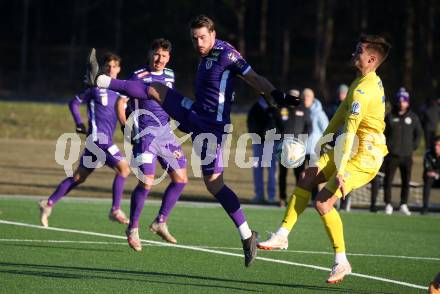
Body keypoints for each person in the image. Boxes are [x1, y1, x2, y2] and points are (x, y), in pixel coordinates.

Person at [85, 15, 300, 267]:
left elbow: (254, 77)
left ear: (213, 33)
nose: (198, 42)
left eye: (202, 37)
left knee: (214, 184)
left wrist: (276, 94)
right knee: (155, 88)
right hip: (195, 113)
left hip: (212, 127)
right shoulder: (205, 55)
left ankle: (246, 236)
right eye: (194, 38)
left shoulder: (226, 54)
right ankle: (100, 79)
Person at [257, 35, 391, 284]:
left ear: (371, 59)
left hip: (366, 156)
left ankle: (342, 261)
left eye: (359, 51)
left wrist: (339, 170)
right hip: (349, 149)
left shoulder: (364, 90)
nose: (354, 53)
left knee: (323, 203)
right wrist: (321, 144)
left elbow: (350, 131)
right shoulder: (361, 81)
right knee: (308, 176)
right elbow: (340, 116)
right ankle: (282, 234)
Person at [39, 53, 130, 227]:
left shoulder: (121, 91)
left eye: (114, 66)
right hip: (99, 140)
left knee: (79, 177)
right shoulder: (94, 88)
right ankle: (115, 209)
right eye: (108, 66)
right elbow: (73, 103)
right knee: (124, 169)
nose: (111, 69)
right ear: (102, 68)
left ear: (119, 69)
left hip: (98, 143)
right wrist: (79, 123)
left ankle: (48, 203)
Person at [117, 38, 188, 250]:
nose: (159, 59)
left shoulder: (170, 75)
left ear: (169, 58)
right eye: (156, 54)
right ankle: (133, 229)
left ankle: (160, 222)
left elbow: (171, 100)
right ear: (150, 54)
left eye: (164, 56)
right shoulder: (138, 76)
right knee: (147, 182)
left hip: (166, 135)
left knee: (181, 179)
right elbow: (121, 102)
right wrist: (125, 127)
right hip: (145, 135)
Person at [383, 87, 422, 216]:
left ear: (408, 102)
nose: (402, 103)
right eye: (400, 100)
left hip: (407, 155)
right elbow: (383, 134)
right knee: (388, 180)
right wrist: (387, 147)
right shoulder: (389, 117)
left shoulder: (413, 117)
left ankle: (403, 204)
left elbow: (418, 134)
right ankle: (388, 204)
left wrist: (413, 147)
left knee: (406, 181)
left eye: (404, 101)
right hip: (392, 155)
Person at [277, 89, 312, 207]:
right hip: (284, 147)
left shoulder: (303, 110)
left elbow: (309, 127)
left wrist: (301, 141)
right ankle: (282, 198)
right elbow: (276, 125)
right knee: (283, 174)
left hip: (297, 148)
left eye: (295, 96)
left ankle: (299, 198)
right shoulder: (283, 109)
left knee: (299, 174)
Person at [247, 96, 279, 204]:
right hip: (258, 142)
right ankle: (259, 195)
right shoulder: (255, 107)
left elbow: (279, 124)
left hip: (271, 143)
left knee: (272, 169)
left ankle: (271, 195)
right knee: (257, 168)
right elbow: (250, 123)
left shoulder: (275, 108)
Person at [421, 136, 440, 215]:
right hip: (431, 179)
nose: (436, 147)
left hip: (437, 176)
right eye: (435, 145)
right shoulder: (428, 153)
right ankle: (425, 209)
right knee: (428, 180)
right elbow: (428, 170)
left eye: (439, 145)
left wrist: (436, 173)